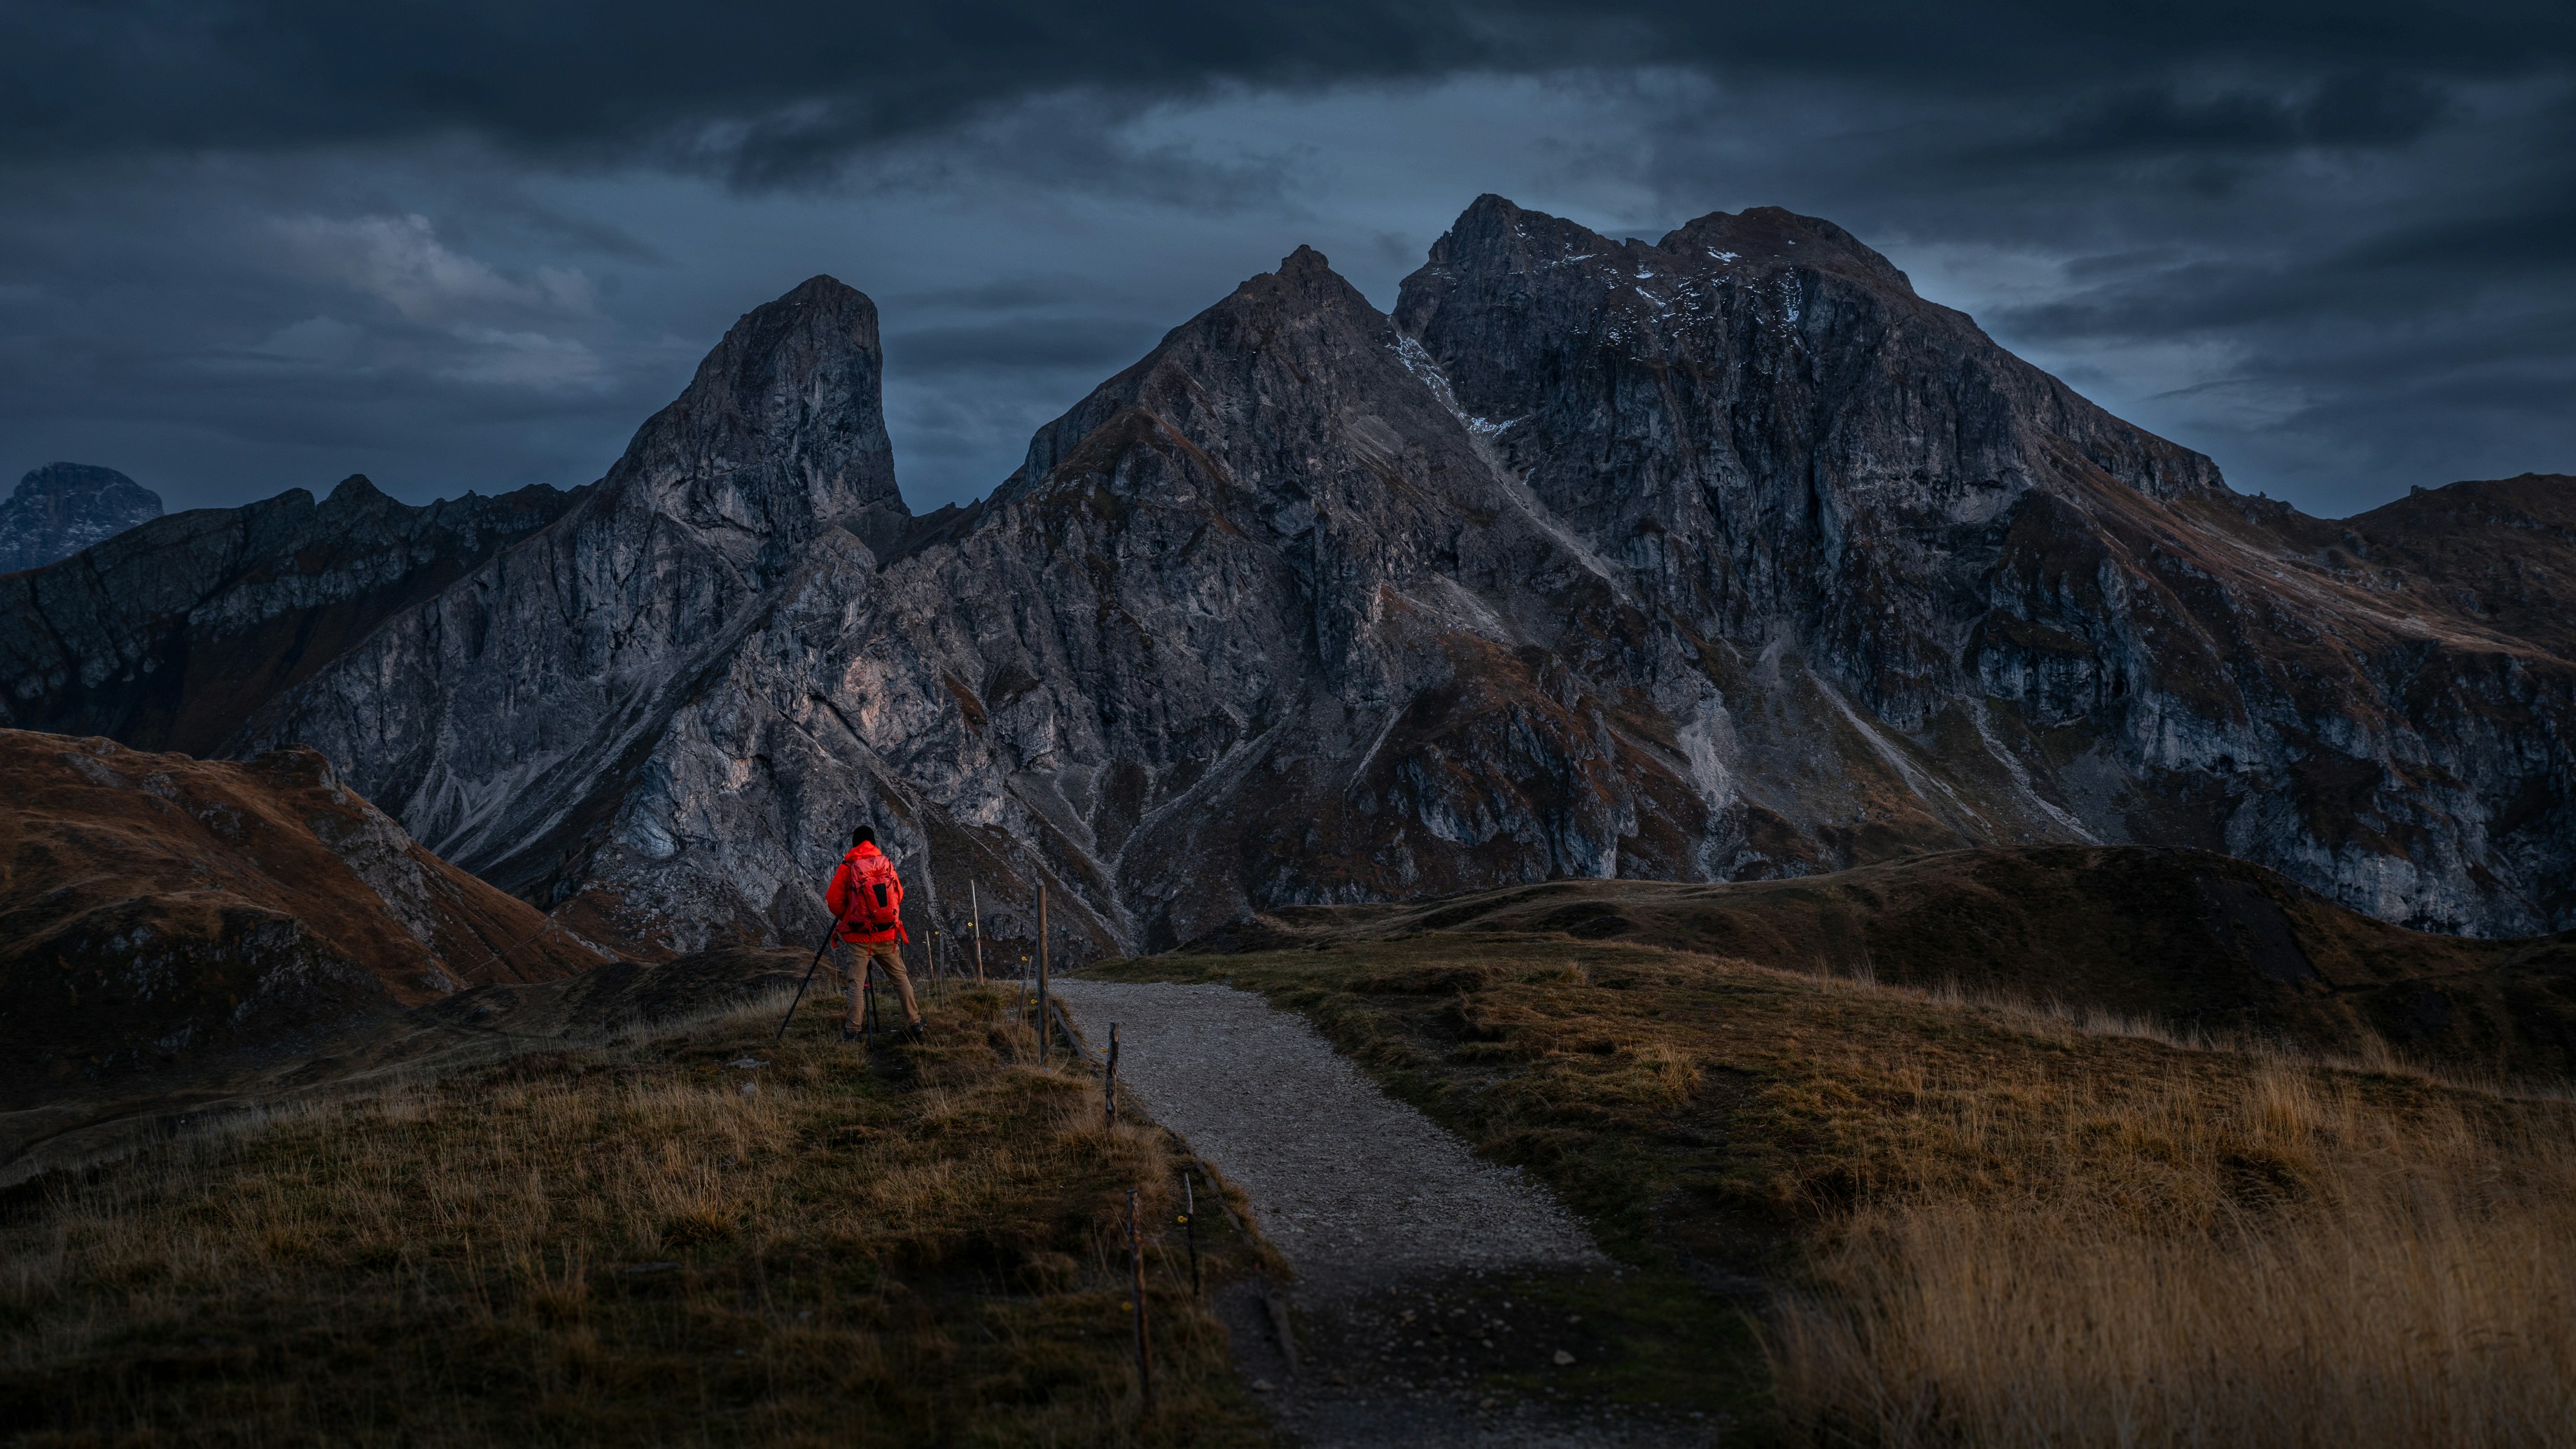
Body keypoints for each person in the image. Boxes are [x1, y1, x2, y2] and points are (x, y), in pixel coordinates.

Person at [825, 825, 924, 1043]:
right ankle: (915, 1022)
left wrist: (850, 916)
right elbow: (899, 894)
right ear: (873, 842)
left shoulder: (848, 866)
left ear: (854, 843)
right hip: (886, 934)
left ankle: (853, 1031)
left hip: (859, 938)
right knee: (900, 979)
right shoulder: (885, 864)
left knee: (856, 985)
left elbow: (833, 900)